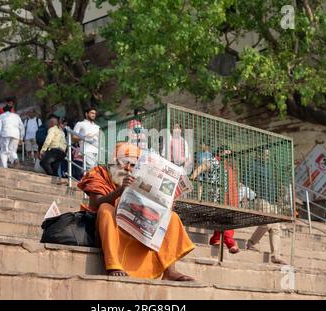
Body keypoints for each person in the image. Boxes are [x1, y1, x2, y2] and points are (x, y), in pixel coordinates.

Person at [77, 142, 195, 280]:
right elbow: (96, 204)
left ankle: (169, 270)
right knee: (105, 209)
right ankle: (114, 265)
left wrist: (167, 204)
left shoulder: (139, 176)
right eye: (125, 163)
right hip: (109, 229)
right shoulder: (99, 173)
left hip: (139, 227)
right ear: (114, 161)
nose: (128, 168)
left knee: (172, 217)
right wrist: (120, 191)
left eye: (133, 165)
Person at [190, 145, 239, 253]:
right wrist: (192, 177)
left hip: (229, 197)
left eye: (230, 154)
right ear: (220, 153)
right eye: (227, 153)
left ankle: (215, 239)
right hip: (218, 196)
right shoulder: (214, 161)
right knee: (226, 220)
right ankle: (231, 243)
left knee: (221, 219)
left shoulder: (230, 167)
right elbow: (201, 167)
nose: (229, 156)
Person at [0, 104, 24, 169]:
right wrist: (21, 138)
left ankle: (4, 167)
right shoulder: (17, 116)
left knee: (4, 151)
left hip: (5, 134)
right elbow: (22, 127)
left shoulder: (1, 116)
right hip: (16, 135)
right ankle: (15, 158)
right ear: (11, 110)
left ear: (3, 110)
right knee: (13, 151)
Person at [73, 106, 100, 171]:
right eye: (91, 113)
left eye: (94, 113)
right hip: (86, 149)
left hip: (97, 150)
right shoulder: (80, 124)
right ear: (86, 114)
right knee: (90, 168)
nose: (93, 115)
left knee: (96, 170)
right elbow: (74, 137)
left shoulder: (97, 126)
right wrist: (85, 137)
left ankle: (87, 180)